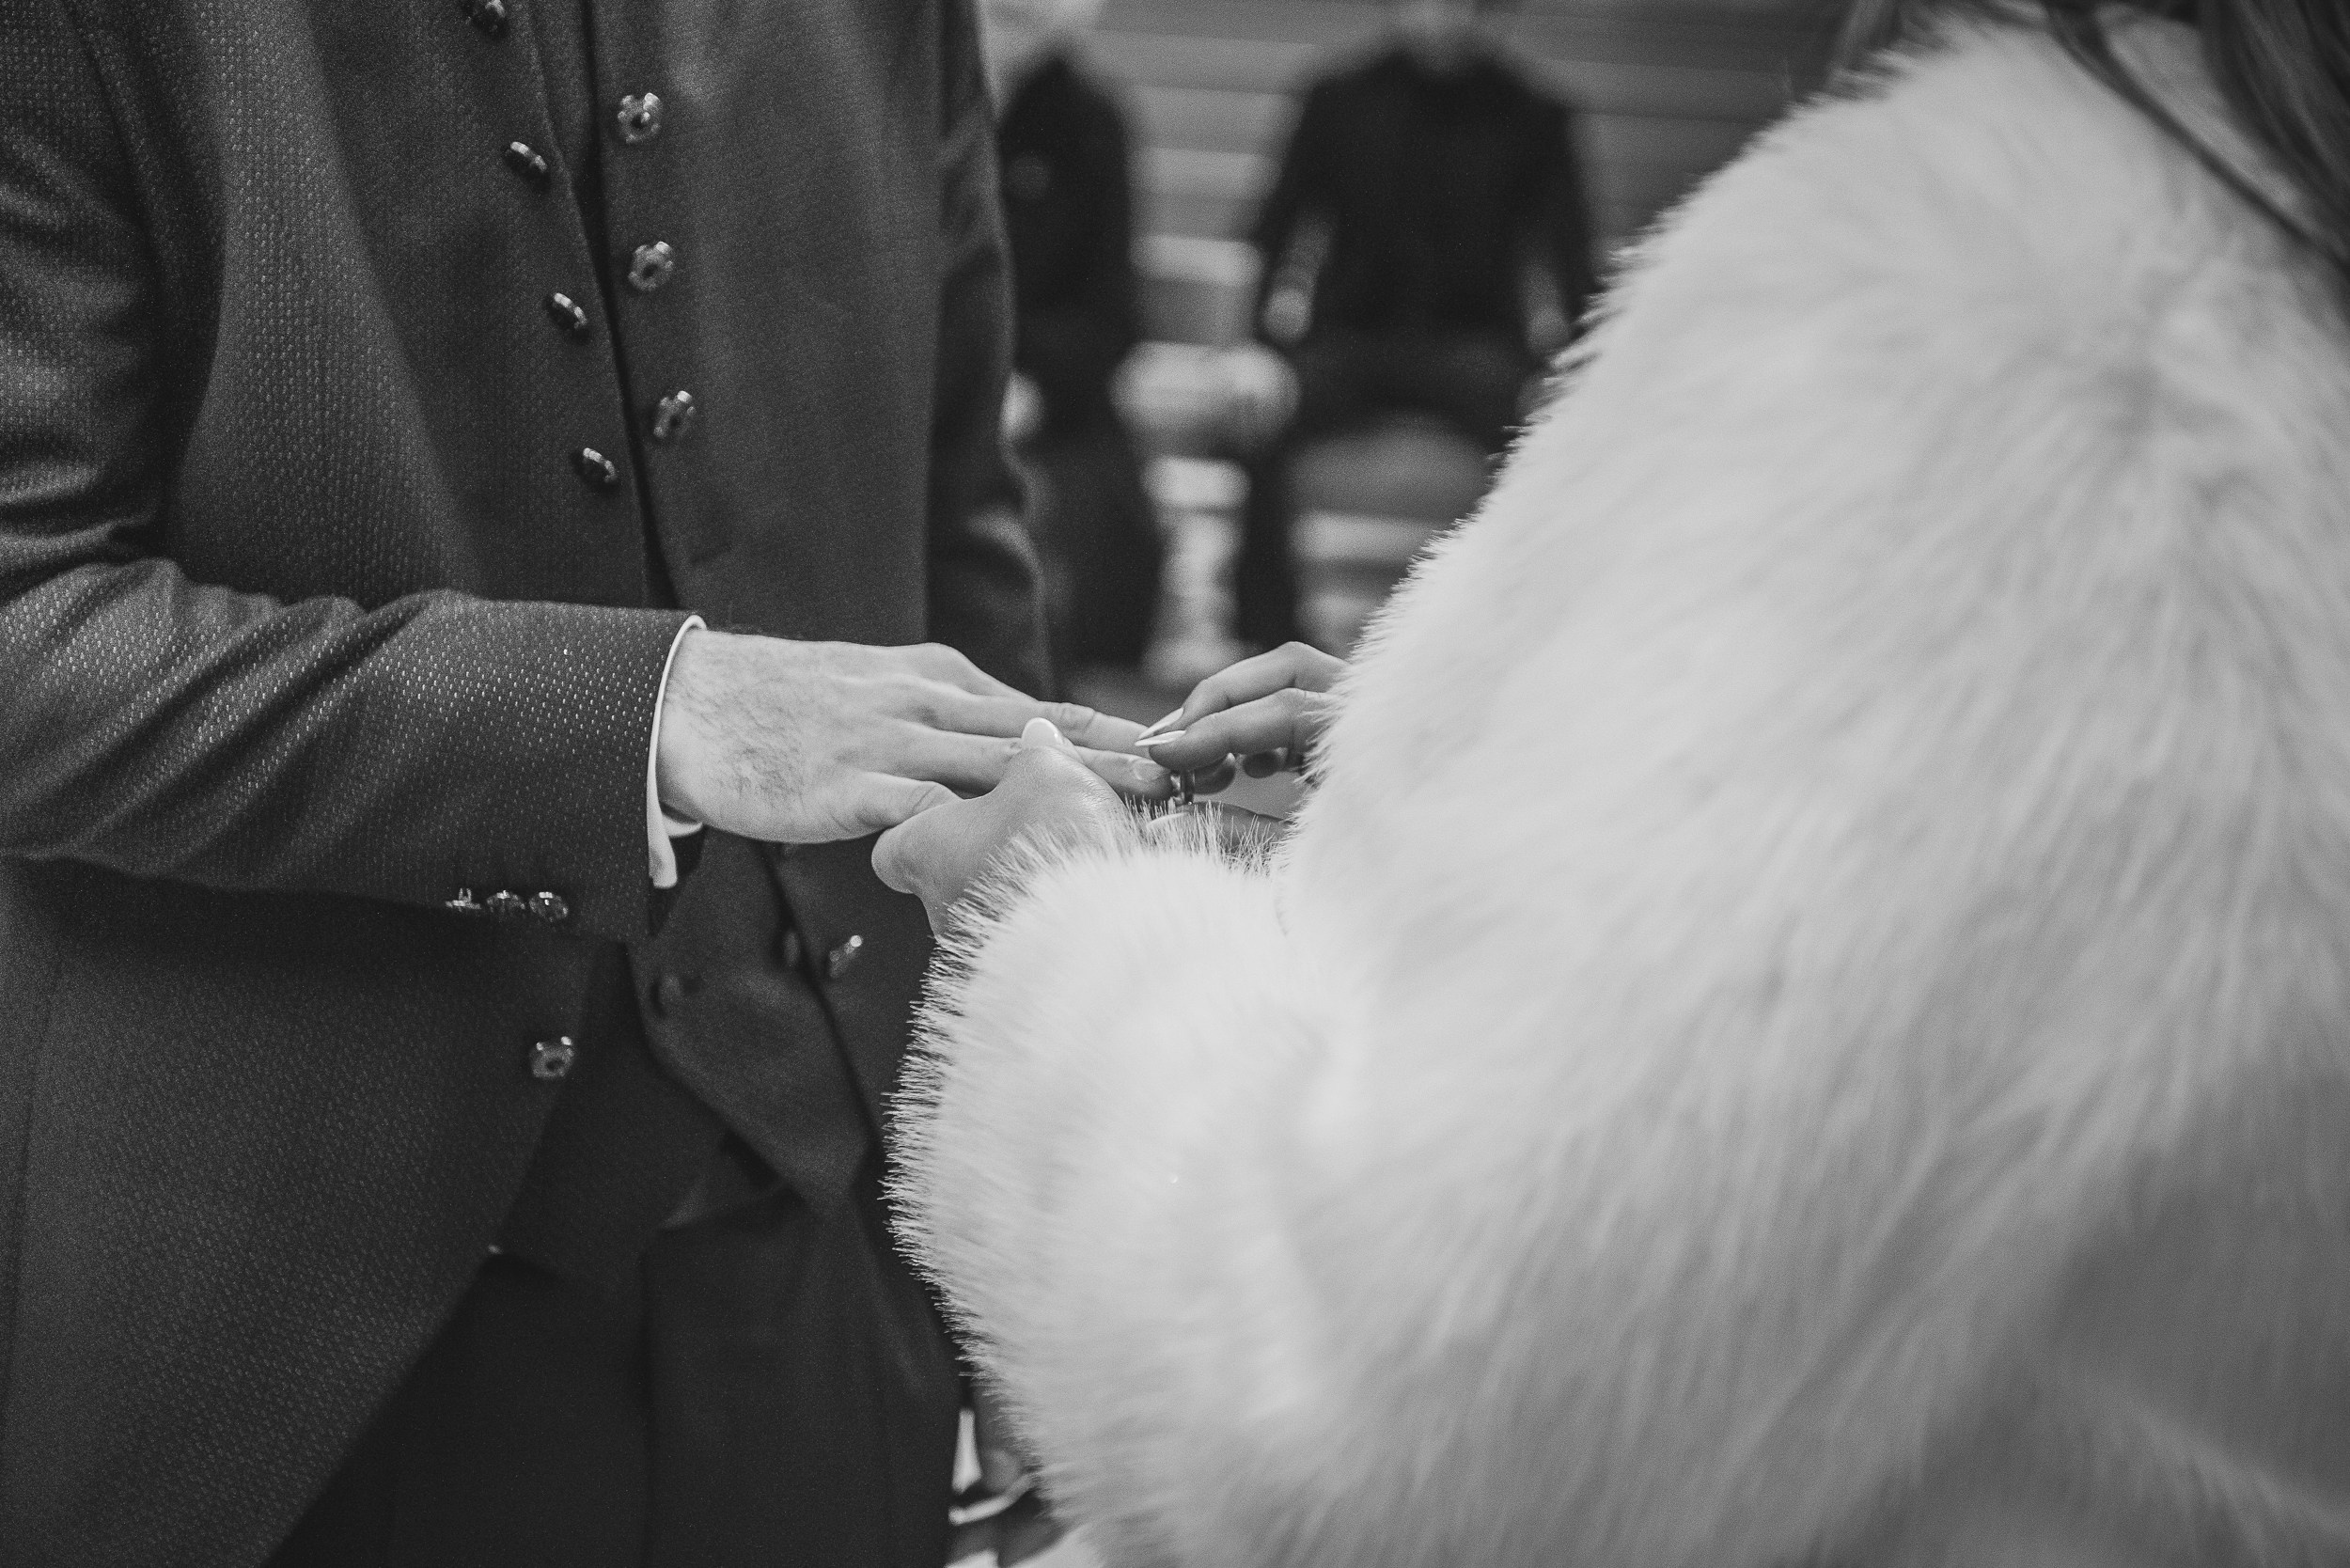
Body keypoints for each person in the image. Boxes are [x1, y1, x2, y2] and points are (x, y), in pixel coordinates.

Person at [877, 0, 2350, 1561]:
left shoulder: (2015, 313)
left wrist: (1053, 915)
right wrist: (1512, 712)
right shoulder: (2278, 245)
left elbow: (1375, 1435)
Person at [0, 1, 1167, 1564]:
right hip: (286, 1330)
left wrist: (1029, 1214)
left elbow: (956, 551)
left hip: (831, 1254)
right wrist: (633, 719)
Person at [1227, 0, 1597, 651]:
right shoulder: (1338, 95)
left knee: (1550, 439)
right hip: (1354, 340)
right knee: (1259, 414)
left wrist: (1574, 374)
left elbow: (1568, 262)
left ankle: (1507, 632)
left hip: (1473, 347)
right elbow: (1279, 230)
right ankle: (1263, 637)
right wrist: (1257, 349)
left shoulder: (1536, 113)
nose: (1440, 18)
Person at [980, 0, 1163, 673]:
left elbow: (1111, 315)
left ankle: (1045, 706)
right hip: (922, 391)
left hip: (1051, 403)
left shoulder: (1091, 120)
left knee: (1079, 528)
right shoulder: (909, 107)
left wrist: (1030, 388)